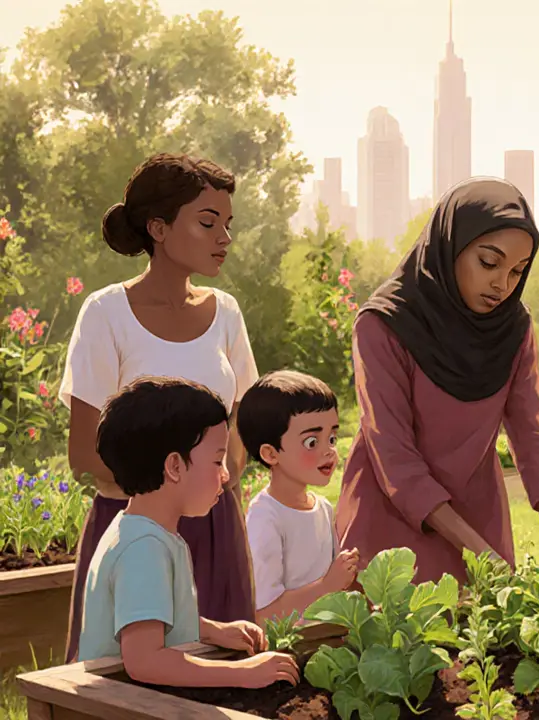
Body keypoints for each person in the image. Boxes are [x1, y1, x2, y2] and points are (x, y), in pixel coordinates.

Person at [336, 177, 539, 583]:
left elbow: (532, 436)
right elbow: (394, 459)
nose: (503, 284)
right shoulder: (383, 324)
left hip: (479, 518)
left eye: (518, 271)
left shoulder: (513, 329)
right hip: (389, 527)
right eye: (489, 262)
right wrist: (481, 551)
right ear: (451, 245)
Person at [59, 153, 258, 662]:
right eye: (208, 222)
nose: (224, 238)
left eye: (228, 224)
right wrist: (167, 500)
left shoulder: (226, 314)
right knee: (132, 685)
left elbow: (241, 424)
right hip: (134, 522)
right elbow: (84, 451)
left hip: (215, 526)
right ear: (158, 228)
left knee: (226, 686)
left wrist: (219, 479)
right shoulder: (106, 314)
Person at [80, 376, 297, 689]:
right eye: (216, 460)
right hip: (117, 704)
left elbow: (146, 620)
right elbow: (145, 660)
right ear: (174, 467)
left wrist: (211, 631)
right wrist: (245, 673)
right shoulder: (144, 549)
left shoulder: (144, 531)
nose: (225, 475)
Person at [237, 370, 359, 624]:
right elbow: (264, 614)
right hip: (288, 650)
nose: (329, 451)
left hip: (329, 642)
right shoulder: (265, 516)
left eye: (332, 438)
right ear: (271, 454)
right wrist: (327, 586)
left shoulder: (324, 508)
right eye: (312, 442)